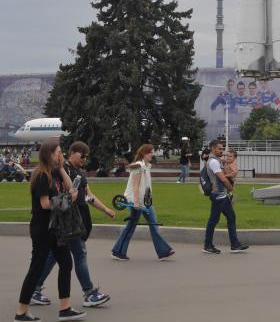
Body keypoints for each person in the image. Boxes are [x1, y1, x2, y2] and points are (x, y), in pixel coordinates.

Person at [31, 141, 114, 308]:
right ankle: (89, 293)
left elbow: (88, 196)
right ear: (73, 152)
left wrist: (105, 209)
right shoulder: (53, 171)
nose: (84, 159)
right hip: (67, 221)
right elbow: (50, 201)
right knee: (79, 254)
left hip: (74, 220)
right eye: (82, 155)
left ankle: (34, 289)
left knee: (53, 257)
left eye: (86, 156)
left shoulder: (77, 172)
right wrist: (63, 174)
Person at [14, 138, 86, 322]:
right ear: (49, 154)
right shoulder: (42, 175)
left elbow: (70, 187)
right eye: (58, 152)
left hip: (55, 227)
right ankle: (21, 312)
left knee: (66, 263)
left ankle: (65, 309)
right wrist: (68, 200)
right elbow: (45, 204)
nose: (61, 155)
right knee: (36, 268)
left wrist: (62, 169)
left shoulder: (54, 172)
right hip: (42, 228)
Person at [111, 143, 174, 261]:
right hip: (136, 202)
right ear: (144, 153)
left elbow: (145, 186)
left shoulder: (146, 166)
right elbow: (135, 186)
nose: (152, 154)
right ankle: (118, 251)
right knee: (131, 227)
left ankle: (163, 251)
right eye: (150, 152)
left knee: (153, 225)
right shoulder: (138, 166)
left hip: (146, 202)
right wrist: (135, 202)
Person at [203, 139, 248, 254]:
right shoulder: (213, 162)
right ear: (213, 148)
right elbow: (222, 178)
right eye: (219, 149)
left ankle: (235, 244)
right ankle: (208, 245)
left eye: (222, 149)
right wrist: (231, 188)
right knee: (213, 220)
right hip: (218, 196)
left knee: (231, 217)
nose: (222, 151)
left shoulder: (216, 160)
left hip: (222, 196)